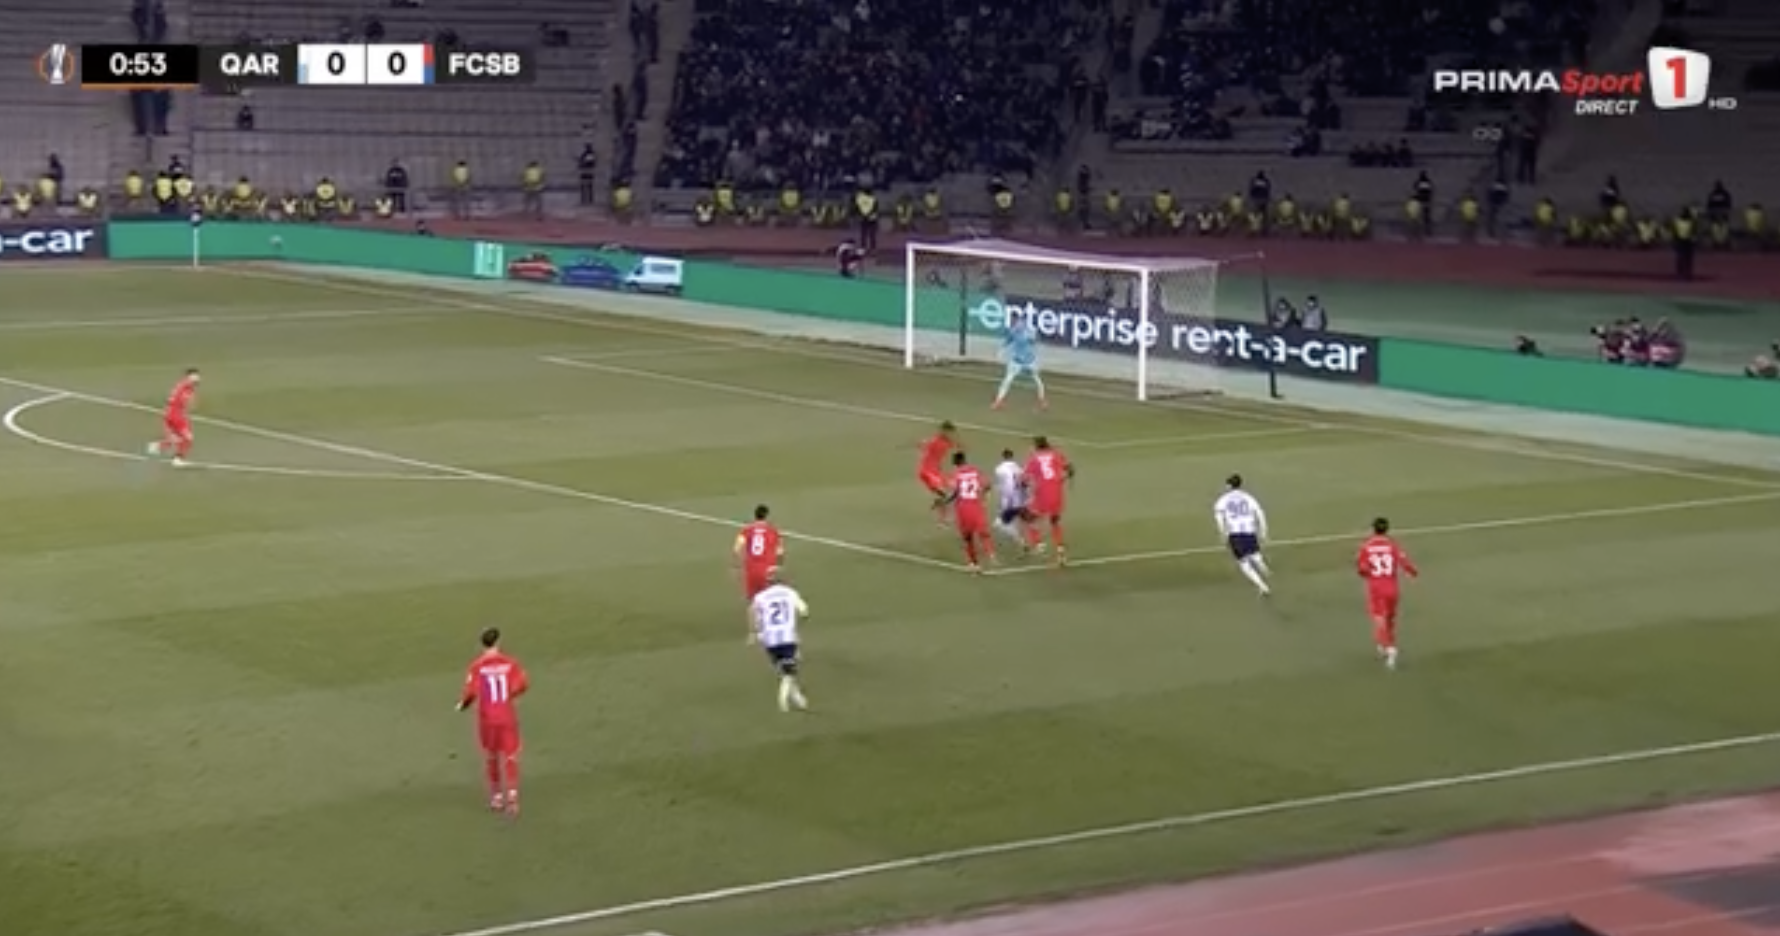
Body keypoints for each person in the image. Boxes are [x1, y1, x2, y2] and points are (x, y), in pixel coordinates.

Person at [457, 626, 528, 813]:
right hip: (506, 715)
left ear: (482, 645)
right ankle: (512, 797)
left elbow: (470, 693)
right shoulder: (510, 663)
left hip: (487, 718)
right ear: (498, 642)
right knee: (510, 756)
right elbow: (522, 684)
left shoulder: (477, 666)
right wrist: (509, 695)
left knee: (491, 756)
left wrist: (462, 705)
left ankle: (496, 797)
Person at [1356, 517, 1418, 669]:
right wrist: (1413, 572)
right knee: (1389, 619)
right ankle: (1384, 644)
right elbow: (1405, 562)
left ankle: (1389, 648)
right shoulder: (1392, 546)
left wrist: (1368, 574)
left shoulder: (1366, 546)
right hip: (1392, 589)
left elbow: (1362, 570)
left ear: (1373, 529)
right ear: (1387, 529)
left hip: (1376, 589)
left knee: (1379, 619)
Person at [749, 571, 809, 712]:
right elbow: (804, 611)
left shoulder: (760, 597)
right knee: (789, 672)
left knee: (785, 670)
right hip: (787, 638)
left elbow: (754, 615)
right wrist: (802, 618)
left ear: (768, 583)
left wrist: (756, 633)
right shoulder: (790, 593)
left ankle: (798, 699)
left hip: (769, 640)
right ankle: (783, 699)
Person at [1213, 474, 1270, 595]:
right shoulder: (1248, 497)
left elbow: (1219, 519)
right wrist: (1263, 530)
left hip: (1235, 534)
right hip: (1250, 531)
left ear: (1229, 486)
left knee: (1243, 563)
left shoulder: (1222, 500)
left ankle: (1262, 586)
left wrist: (1222, 534)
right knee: (1255, 554)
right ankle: (1265, 570)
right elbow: (1260, 513)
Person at [1023, 437, 1073, 564]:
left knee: (1029, 518)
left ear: (1036, 446)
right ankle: (1061, 552)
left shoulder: (1033, 458)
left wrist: (1024, 485)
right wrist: (1062, 479)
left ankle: (1038, 544)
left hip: (1042, 493)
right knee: (1054, 521)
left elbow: (1024, 479)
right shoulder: (1057, 454)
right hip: (1056, 492)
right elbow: (1070, 470)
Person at [948, 451, 995, 573]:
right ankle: (990, 553)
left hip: (963, 507)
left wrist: (946, 501)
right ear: (964, 460)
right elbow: (987, 485)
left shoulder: (956, 474)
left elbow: (955, 492)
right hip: (976, 505)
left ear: (956, 462)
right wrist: (985, 495)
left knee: (967, 537)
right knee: (983, 532)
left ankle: (973, 563)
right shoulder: (975, 470)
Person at [992, 311, 1046, 410]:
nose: (1015, 323)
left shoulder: (1029, 331)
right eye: (1013, 321)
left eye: (1016, 321)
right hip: (1016, 361)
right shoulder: (1013, 331)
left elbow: (1034, 341)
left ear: (1021, 321)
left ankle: (1042, 401)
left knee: (1038, 381)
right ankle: (998, 401)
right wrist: (1001, 350)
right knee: (1007, 380)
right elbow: (1008, 340)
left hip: (1029, 361)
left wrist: (1033, 338)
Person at [734, 504, 783, 609]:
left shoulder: (747, 530)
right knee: (768, 599)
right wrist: (778, 566)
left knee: (752, 601)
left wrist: (742, 562)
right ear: (767, 516)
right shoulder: (773, 531)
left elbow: (737, 548)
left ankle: (754, 618)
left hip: (751, 569)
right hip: (767, 570)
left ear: (755, 516)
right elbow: (779, 552)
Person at [146, 367, 199, 465]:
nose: (197, 378)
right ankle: (178, 459)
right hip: (176, 415)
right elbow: (184, 401)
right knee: (188, 438)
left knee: (177, 439)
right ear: (188, 376)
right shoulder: (186, 386)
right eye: (195, 376)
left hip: (170, 413)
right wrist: (189, 401)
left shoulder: (183, 386)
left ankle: (157, 446)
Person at [993, 448, 1042, 552]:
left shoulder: (998, 469)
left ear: (1003, 457)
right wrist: (1028, 497)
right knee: (1029, 520)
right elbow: (1024, 483)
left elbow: (1002, 487)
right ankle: (1038, 543)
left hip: (1009, 503)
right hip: (1020, 501)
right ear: (1012, 456)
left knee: (999, 524)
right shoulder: (1019, 468)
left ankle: (1022, 542)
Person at [917, 421, 959, 523]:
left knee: (955, 488)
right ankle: (943, 518)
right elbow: (924, 446)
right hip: (928, 471)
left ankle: (939, 505)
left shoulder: (947, 442)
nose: (951, 434)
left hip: (936, 472)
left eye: (952, 432)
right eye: (949, 432)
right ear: (943, 430)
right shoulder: (934, 441)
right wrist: (923, 445)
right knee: (943, 493)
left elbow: (956, 445)